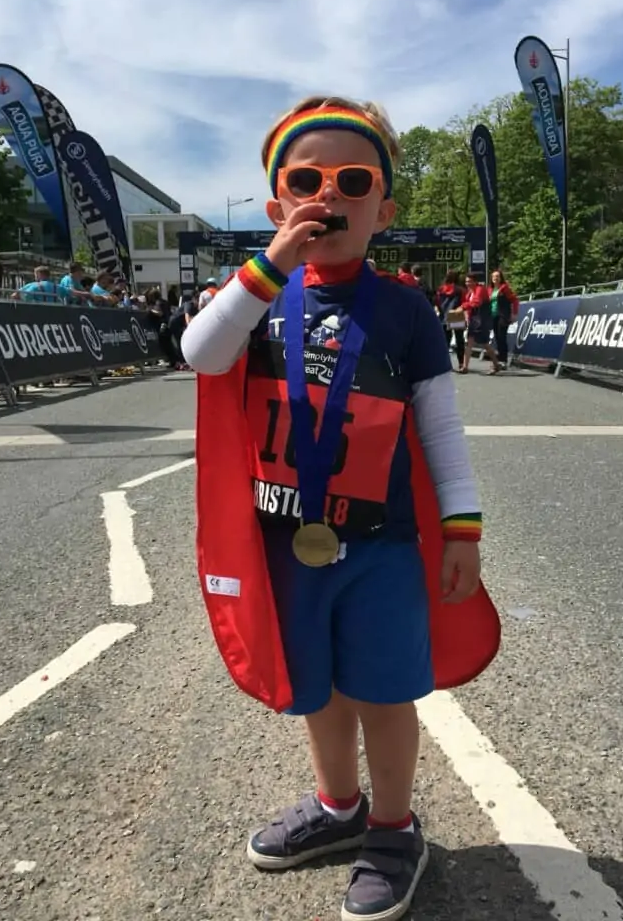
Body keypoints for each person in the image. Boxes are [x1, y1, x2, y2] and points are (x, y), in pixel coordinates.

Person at [182, 95, 499, 921]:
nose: (329, 196)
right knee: (317, 693)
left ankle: (395, 827)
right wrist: (267, 268)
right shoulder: (255, 297)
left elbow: (442, 429)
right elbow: (199, 352)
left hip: (383, 548)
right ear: (276, 205)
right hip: (288, 545)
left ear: (384, 210)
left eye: (352, 181)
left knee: (386, 694)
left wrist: (461, 528)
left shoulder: (405, 309)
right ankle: (338, 808)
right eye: (306, 180)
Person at [460, 273, 500, 374]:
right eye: (466, 281)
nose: (467, 283)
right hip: (474, 320)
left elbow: (476, 302)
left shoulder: (480, 289)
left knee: (485, 344)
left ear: (475, 282)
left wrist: (463, 307)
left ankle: (496, 364)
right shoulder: (469, 293)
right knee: (469, 343)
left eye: (469, 281)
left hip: (482, 319)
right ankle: (465, 367)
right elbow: (469, 305)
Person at [435, 270, 466, 371]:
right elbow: (463, 302)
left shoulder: (441, 289)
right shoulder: (460, 289)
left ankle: (445, 363)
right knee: (459, 340)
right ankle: (461, 363)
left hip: (444, 315)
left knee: (445, 341)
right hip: (456, 314)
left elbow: (437, 302)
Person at [489, 268, 519, 368]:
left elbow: (514, 300)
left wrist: (514, 314)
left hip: (503, 315)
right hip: (493, 316)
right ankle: (500, 359)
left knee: (502, 337)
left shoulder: (504, 288)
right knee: (497, 337)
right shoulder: (490, 289)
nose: (495, 278)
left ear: (501, 278)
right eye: (493, 276)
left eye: (497, 276)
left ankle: (503, 360)